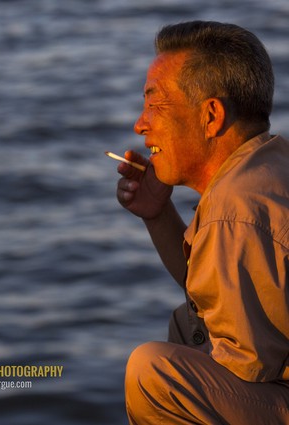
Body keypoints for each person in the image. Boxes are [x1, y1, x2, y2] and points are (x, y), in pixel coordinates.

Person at [114, 21, 289, 424]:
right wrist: (158, 216)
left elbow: (246, 371)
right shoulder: (268, 168)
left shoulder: (235, 208)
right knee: (188, 321)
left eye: (155, 104)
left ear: (211, 116)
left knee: (153, 374)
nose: (141, 124)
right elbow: (218, 288)